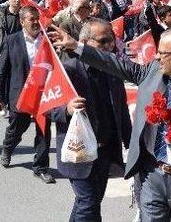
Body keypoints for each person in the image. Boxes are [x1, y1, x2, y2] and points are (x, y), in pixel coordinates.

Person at [51, 26, 171, 222]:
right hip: (151, 175)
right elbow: (115, 63)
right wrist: (77, 46)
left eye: (162, 53)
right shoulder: (152, 72)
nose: (156, 57)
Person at [51, 19, 132, 221]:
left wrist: (132, 145)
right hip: (79, 151)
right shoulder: (68, 70)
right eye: (103, 41)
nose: (109, 46)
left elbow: (121, 109)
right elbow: (46, 107)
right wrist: (66, 109)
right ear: (85, 42)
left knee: (89, 201)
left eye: (111, 41)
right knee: (89, 206)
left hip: (104, 151)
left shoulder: (113, 71)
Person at [0, 6, 55, 184]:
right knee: (17, 128)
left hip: (44, 94)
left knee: (44, 131)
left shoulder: (47, 41)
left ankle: (41, 168)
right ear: (22, 22)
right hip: (20, 94)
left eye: (37, 18)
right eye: (31, 19)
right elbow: (1, 71)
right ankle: (7, 147)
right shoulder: (11, 41)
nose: (36, 22)